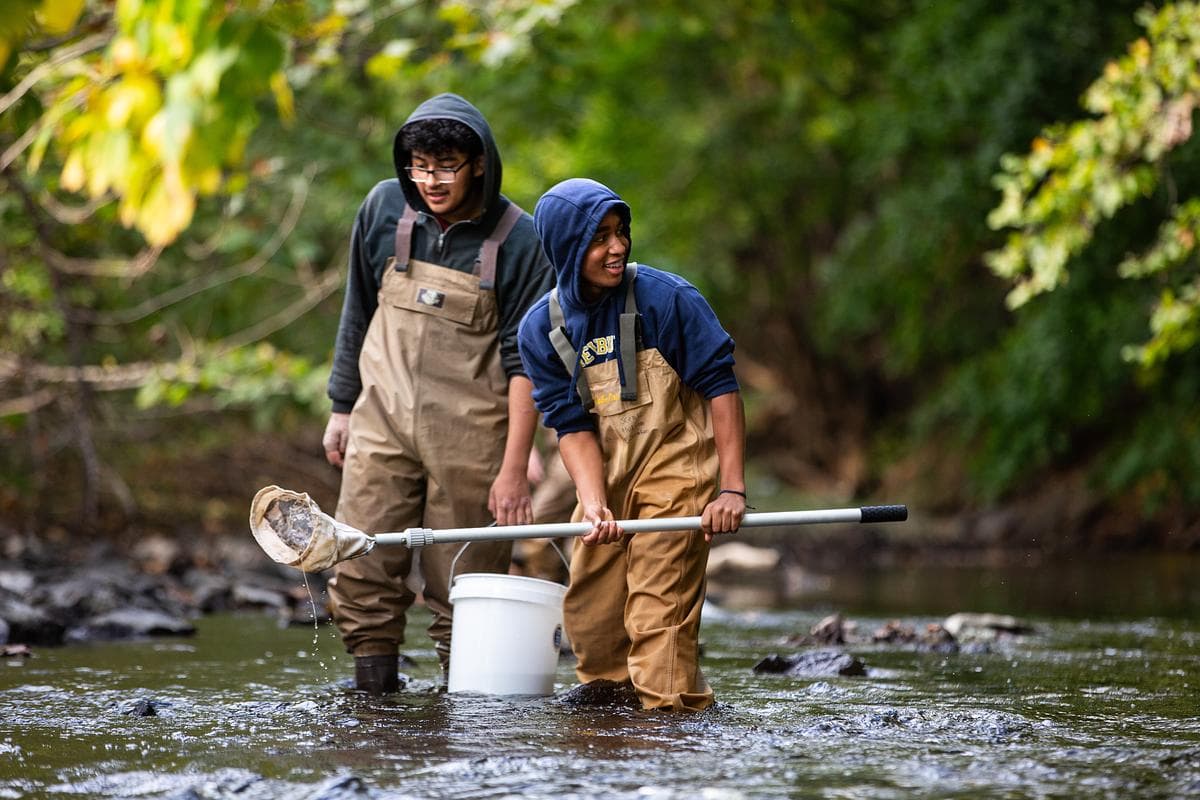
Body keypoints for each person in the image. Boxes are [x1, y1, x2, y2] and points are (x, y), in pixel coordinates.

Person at [321, 93, 553, 694]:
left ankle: (464, 720)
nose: (431, 180)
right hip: (381, 420)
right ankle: (374, 703)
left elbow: (527, 363)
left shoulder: (521, 240)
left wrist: (512, 470)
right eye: (421, 166)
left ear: (478, 162)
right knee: (362, 557)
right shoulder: (381, 211)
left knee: (466, 581)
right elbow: (357, 312)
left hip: (475, 434)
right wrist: (341, 409)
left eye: (446, 165)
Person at [517, 178, 747, 712]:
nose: (617, 247)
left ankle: (670, 730)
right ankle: (612, 744)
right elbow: (570, 425)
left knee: (657, 616)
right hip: (607, 476)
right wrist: (593, 502)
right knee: (593, 622)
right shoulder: (539, 329)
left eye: (620, 233)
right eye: (599, 237)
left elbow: (722, 388)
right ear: (565, 248)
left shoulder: (668, 299)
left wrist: (731, 489)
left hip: (677, 471)